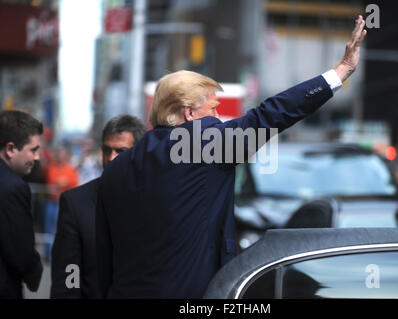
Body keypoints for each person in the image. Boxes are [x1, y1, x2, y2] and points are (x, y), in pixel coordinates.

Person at [96, 16, 367, 298]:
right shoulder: (199, 143)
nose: (219, 118)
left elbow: (103, 255)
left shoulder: (117, 169)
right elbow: (269, 115)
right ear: (189, 113)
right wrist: (341, 71)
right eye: (213, 109)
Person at [51, 114, 146, 299]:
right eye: (107, 150)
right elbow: (69, 274)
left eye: (121, 151)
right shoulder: (76, 203)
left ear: (139, 153)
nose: (111, 158)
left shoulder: (156, 201)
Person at [0, 110, 43, 298]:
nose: (37, 157)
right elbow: (21, 250)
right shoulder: (13, 188)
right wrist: (34, 272)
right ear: (10, 149)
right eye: (33, 150)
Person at [43, 145, 79, 260]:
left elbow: (74, 181)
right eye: (59, 153)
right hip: (52, 202)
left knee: (62, 229)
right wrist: (62, 181)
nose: (60, 156)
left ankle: (61, 253)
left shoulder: (70, 168)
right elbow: (51, 179)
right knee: (49, 228)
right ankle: (48, 254)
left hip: (64, 204)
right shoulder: (50, 167)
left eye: (62, 154)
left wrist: (64, 181)